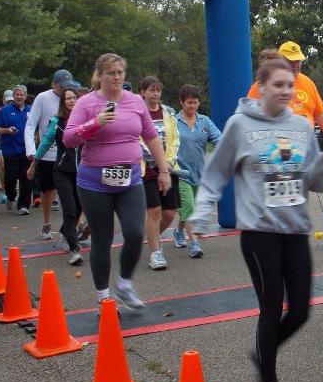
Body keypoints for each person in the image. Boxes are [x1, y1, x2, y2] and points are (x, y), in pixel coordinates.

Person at [189, 57, 323, 382]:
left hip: (295, 230)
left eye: (290, 85)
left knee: (300, 311)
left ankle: (263, 351)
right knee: (271, 309)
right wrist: (201, 211)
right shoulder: (240, 124)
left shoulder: (301, 126)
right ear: (261, 87)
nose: (287, 91)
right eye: (278, 85)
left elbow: (312, 181)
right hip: (259, 233)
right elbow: (216, 172)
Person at [63, 53, 171, 309]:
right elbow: (69, 139)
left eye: (120, 72)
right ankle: (103, 295)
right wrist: (95, 123)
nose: (117, 77)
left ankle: (124, 284)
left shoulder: (135, 101)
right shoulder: (87, 103)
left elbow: (151, 136)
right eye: (111, 73)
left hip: (130, 180)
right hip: (94, 183)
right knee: (102, 239)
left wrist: (164, 170)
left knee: (134, 233)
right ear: (99, 76)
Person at [28, 86, 83, 266]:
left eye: (74, 98)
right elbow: (45, 143)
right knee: (70, 209)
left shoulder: (85, 120)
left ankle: (65, 231)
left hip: (82, 172)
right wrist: (33, 164)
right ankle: (74, 249)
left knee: (79, 207)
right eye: (68, 98)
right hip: (62, 172)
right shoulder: (57, 122)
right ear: (63, 102)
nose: (72, 101)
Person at [173, 84, 221, 259]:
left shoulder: (205, 122)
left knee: (189, 208)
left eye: (195, 102)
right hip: (180, 173)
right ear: (181, 102)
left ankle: (178, 231)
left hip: (200, 173)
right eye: (189, 102)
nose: (192, 106)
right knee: (190, 207)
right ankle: (194, 244)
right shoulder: (174, 122)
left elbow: (219, 139)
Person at [138, 76, 180, 271]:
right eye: (151, 90)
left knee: (169, 213)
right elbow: (137, 141)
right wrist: (157, 160)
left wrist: (168, 162)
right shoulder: (138, 112)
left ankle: (153, 237)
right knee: (154, 211)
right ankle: (155, 253)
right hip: (147, 169)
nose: (155, 94)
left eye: (158, 90)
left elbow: (175, 139)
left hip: (168, 168)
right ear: (143, 92)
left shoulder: (168, 113)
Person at [25, 69, 74, 239]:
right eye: (62, 86)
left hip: (67, 155)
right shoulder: (43, 98)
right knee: (47, 191)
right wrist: (31, 150)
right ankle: (46, 223)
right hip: (47, 155)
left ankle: (71, 227)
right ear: (54, 84)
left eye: (68, 86)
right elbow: (31, 125)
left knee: (72, 194)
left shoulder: (73, 99)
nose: (65, 89)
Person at [247, 41, 323, 137]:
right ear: (279, 62)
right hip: (276, 140)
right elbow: (250, 115)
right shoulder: (264, 84)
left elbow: (319, 113)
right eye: (291, 61)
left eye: (298, 61)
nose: (295, 65)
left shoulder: (307, 82)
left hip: (306, 140)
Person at [0, 85, 33, 214]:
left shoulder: (31, 110)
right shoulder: (5, 110)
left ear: (25, 97)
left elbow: (37, 128)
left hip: (27, 150)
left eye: (21, 95)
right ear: (13, 96)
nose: (19, 97)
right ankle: (11, 196)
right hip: (10, 150)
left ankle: (23, 206)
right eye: (17, 95)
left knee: (26, 178)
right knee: (10, 178)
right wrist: (7, 130)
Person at [0, 89, 14, 204]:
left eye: (11, 101)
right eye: (7, 101)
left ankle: (11, 190)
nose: (9, 103)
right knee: (3, 166)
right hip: (0, 143)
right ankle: (5, 190)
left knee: (12, 168)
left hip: (14, 143)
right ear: (3, 100)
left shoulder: (18, 110)